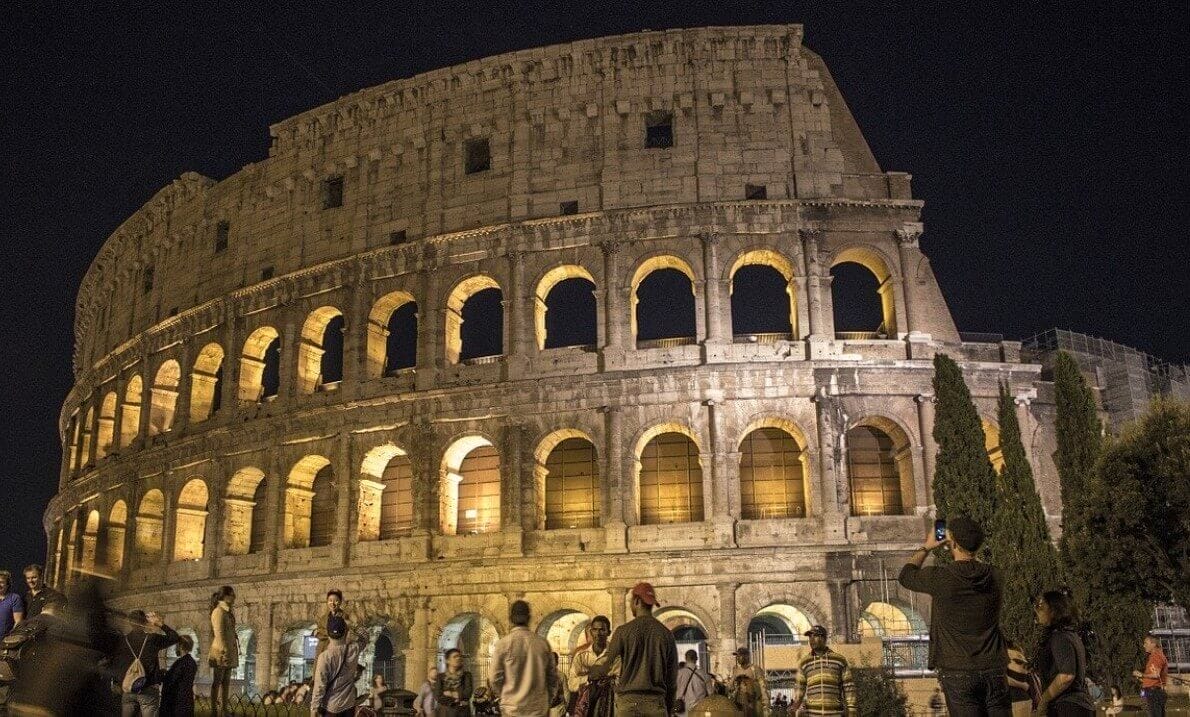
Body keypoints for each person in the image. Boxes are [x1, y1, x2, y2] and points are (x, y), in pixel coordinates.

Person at [898, 514, 1010, 715]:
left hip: (957, 670)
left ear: (954, 544)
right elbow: (976, 568)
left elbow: (906, 576)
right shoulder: (996, 576)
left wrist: (927, 546)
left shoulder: (941, 577)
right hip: (994, 666)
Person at [589, 582, 677, 717]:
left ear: (636, 601)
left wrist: (594, 671)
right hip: (655, 704)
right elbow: (671, 681)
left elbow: (606, 665)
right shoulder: (666, 634)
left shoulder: (623, 632)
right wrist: (668, 709)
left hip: (628, 705)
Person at [1032, 590, 1095, 716]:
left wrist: (1044, 700)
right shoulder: (1071, 635)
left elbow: (1066, 676)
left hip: (1067, 707)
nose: (1037, 610)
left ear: (1053, 610)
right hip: (1078, 706)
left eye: (1041, 605)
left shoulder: (1059, 637)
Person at [492, 599, 558, 716]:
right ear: (528, 618)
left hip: (512, 710)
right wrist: (548, 699)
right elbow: (552, 678)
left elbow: (495, 678)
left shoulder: (502, 644)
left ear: (511, 618)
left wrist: (504, 697)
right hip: (538, 709)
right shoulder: (542, 644)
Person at [111, 609, 180, 717]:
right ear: (144, 623)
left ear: (130, 622)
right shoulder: (152, 639)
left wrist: (117, 682)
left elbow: (117, 664)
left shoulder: (123, 641)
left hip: (128, 689)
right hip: (148, 689)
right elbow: (175, 637)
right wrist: (160, 624)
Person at [790, 625, 856, 717]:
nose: (811, 639)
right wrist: (794, 708)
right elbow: (799, 689)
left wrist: (852, 709)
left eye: (815, 636)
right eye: (810, 636)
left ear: (823, 638)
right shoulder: (805, 662)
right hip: (813, 714)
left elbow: (849, 687)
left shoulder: (839, 660)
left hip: (835, 714)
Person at [310, 613, 368, 717]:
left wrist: (314, 708)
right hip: (348, 705)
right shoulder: (353, 649)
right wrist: (351, 624)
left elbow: (319, 686)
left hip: (330, 707)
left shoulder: (324, 657)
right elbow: (365, 636)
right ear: (345, 632)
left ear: (328, 633)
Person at [207, 585, 239, 717]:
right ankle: (214, 710)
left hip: (228, 651)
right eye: (232, 595)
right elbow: (219, 634)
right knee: (217, 682)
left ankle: (224, 710)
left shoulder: (227, 612)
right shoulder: (218, 612)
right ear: (225, 596)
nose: (234, 597)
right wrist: (224, 652)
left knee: (226, 682)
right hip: (220, 652)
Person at [159, 633, 197, 717]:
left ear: (181, 646)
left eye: (177, 645)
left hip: (176, 703)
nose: (175, 647)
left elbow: (172, 681)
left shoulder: (180, 663)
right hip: (187, 701)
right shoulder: (192, 662)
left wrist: (163, 675)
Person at [1133, 634, 1168, 717]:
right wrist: (1142, 678)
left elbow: (1156, 675)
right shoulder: (1155, 656)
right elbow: (1155, 677)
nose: (1144, 645)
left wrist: (1142, 675)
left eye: (1146, 643)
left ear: (1153, 644)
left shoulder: (1156, 656)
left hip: (1154, 693)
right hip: (1154, 692)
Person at [434, 648, 474, 717]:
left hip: (463, 713)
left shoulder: (467, 675)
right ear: (447, 660)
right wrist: (456, 700)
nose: (458, 658)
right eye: (455, 656)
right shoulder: (440, 677)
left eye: (459, 656)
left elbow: (468, 693)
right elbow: (438, 696)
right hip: (445, 713)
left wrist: (451, 694)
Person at [730, 647, 769, 717]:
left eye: (739, 656)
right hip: (739, 702)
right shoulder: (736, 670)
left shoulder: (755, 669)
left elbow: (762, 685)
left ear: (746, 656)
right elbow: (730, 686)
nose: (737, 658)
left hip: (753, 701)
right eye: (737, 656)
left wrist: (765, 702)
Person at [674, 649, 710, 717]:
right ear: (697, 658)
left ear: (685, 658)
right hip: (699, 712)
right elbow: (711, 695)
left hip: (681, 712)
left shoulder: (678, 674)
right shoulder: (705, 675)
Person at [315, 589, 348, 657]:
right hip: (323, 650)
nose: (332, 603)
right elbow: (318, 633)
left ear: (340, 602)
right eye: (330, 600)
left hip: (337, 651)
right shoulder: (323, 618)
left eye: (336, 601)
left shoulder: (345, 617)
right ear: (327, 602)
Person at [1006, 641, 1033, 717]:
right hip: (1022, 699)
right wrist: (1023, 685)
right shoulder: (1020, 655)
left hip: (1013, 701)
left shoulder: (1008, 653)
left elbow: (1000, 678)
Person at [0, 571, 25, 638]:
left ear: (7, 584)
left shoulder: (14, 598)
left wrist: (10, 638)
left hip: (5, 641)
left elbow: (18, 622)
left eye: (2, 582)